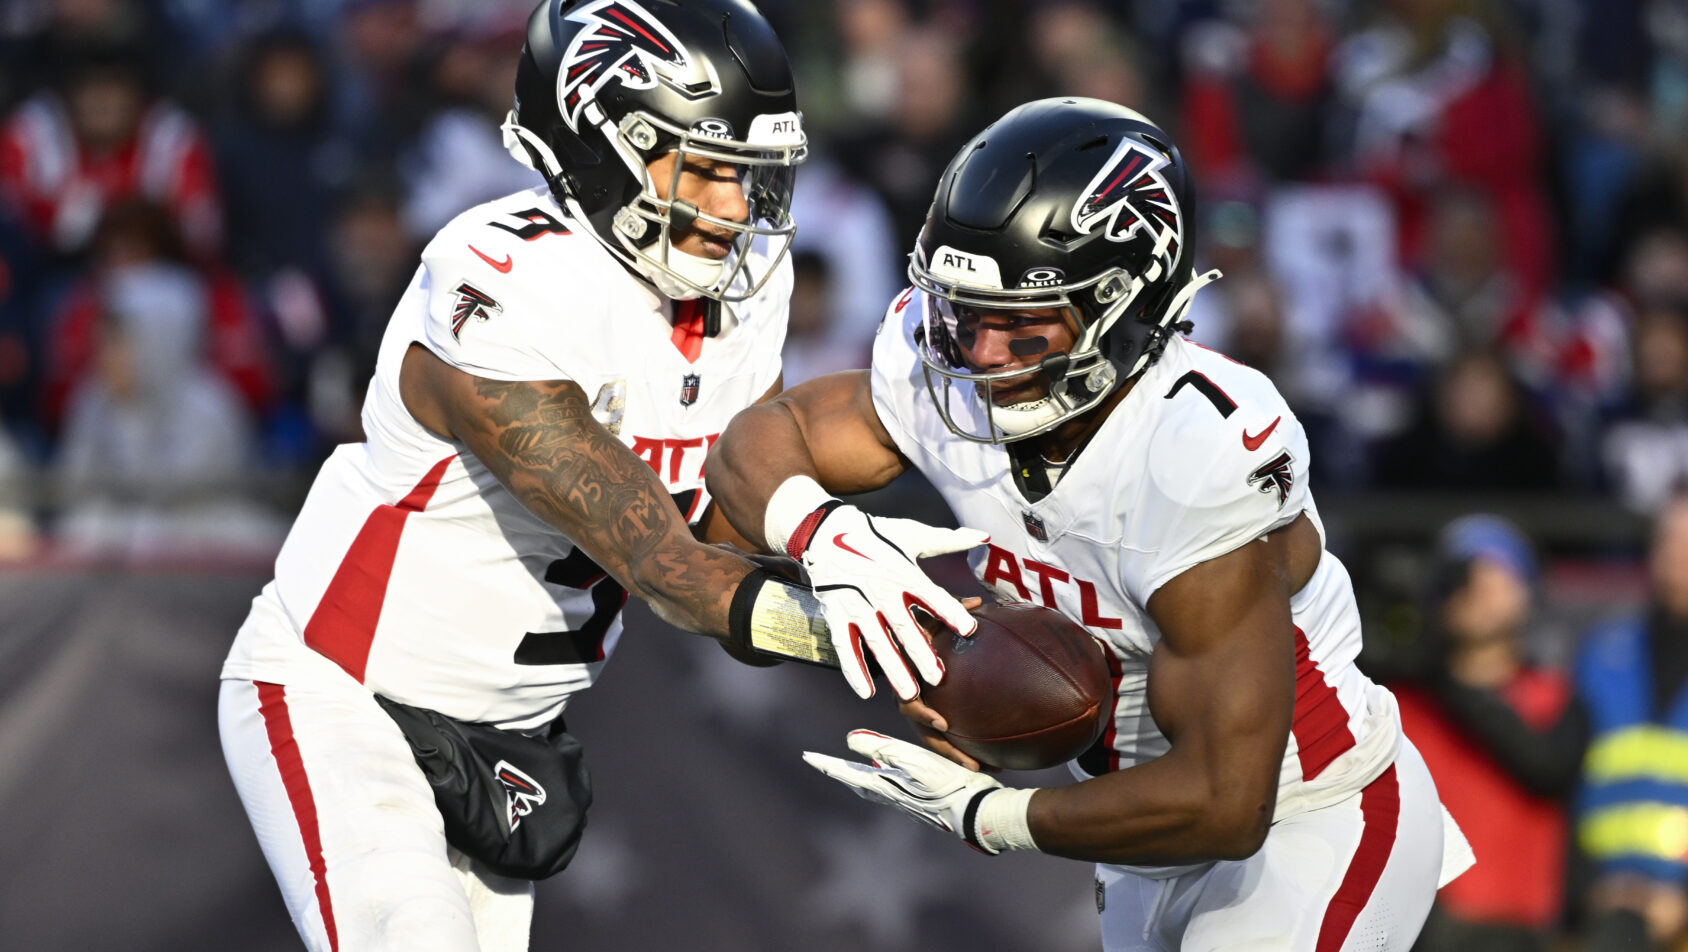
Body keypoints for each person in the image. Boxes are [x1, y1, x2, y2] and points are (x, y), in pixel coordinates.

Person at [217, 2, 976, 949]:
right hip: (346, 693)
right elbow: (666, 566)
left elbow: (723, 536)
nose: (735, 209)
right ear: (604, 146)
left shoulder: (742, 289)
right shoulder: (507, 281)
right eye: (706, 168)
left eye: (750, 173)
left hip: (511, 739)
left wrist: (910, 642)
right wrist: (841, 631)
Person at [705, 97, 1475, 951]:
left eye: (1021, 323)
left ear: (1124, 306)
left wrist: (992, 816)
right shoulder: (945, 367)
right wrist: (824, 536)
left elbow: (1228, 801)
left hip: (1310, 812)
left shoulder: (1192, 452)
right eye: (967, 312)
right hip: (1140, 839)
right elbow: (758, 441)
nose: (981, 354)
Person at [1393, 515, 1586, 952]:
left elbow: (1547, 768)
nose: (1479, 587)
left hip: (1520, 934)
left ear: (1529, 594)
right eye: (1464, 575)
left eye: (1497, 573)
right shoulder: (1402, 704)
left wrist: (1453, 685)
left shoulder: (1557, 698)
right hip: (1420, 933)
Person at [1572, 492, 1688, 952]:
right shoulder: (1600, 655)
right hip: (1603, 914)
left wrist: (1686, 901)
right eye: (1670, 540)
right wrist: (1588, 890)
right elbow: (1563, 785)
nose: (1679, 555)